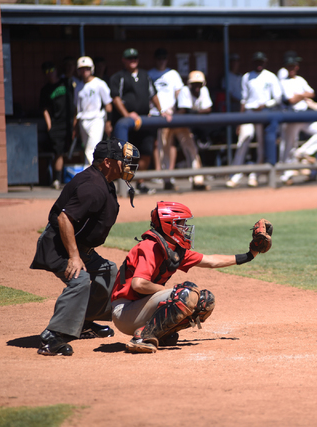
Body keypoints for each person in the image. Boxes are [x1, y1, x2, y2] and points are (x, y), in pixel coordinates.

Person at [30, 138, 140, 356]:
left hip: (77, 247)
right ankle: (53, 336)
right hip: (58, 245)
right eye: (123, 160)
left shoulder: (103, 181)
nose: (128, 165)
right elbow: (64, 219)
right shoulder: (93, 186)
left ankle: (83, 323)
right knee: (80, 280)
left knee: (107, 271)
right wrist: (73, 256)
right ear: (108, 162)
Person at [111, 202, 268, 353]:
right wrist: (171, 293)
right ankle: (142, 338)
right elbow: (139, 284)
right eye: (180, 223)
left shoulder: (173, 250)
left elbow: (211, 261)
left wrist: (250, 255)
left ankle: (160, 333)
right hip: (125, 311)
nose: (185, 228)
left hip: (140, 308)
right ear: (168, 225)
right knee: (184, 294)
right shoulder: (150, 246)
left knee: (205, 300)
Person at [110, 48, 171, 195]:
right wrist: (127, 114)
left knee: (146, 153)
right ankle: (126, 185)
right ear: (124, 60)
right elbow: (116, 98)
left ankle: (139, 182)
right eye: (129, 58)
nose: (133, 61)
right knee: (128, 155)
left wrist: (161, 110)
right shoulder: (119, 77)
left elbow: (153, 95)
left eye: (135, 58)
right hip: (126, 125)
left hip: (144, 121)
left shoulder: (145, 75)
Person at [226, 52, 282, 188]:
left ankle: (255, 176)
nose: (259, 64)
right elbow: (243, 100)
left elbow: (278, 98)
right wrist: (240, 120)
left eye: (261, 62)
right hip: (249, 113)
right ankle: (235, 175)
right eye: (256, 62)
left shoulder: (270, 76)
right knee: (244, 139)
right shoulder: (246, 76)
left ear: (265, 62)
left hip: (264, 113)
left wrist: (265, 105)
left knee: (261, 147)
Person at [279, 55, 317, 185]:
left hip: (304, 115)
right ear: (286, 68)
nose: (291, 68)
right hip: (291, 116)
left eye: (293, 66)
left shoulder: (300, 79)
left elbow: (312, 93)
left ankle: (303, 152)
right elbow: (291, 100)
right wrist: (303, 95)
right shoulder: (283, 82)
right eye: (289, 66)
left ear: (297, 67)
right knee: (288, 146)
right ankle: (286, 175)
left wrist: (299, 96)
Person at [148, 48, 185, 191]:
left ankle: (169, 172)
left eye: (164, 58)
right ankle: (159, 172)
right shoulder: (150, 74)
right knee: (157, 143)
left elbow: (179, 92)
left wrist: (173, 108)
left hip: (169, 113)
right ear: (155, 59)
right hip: (155, 113)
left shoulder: (173, 74)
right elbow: (148, 94)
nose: (161, 61)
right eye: (159, 58)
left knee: (170, 142)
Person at [173, 70, 214, 190]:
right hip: (173, 123)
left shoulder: (204, 90)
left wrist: (195, 112)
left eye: (199, 84)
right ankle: (167, 181)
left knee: (192, 151)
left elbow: (208, 109)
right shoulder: (185, 90)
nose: (197, 87)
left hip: (187, 125)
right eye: (194, 84)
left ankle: (197, 181)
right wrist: (197, 112)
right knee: (165, 151)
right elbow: (184, 111)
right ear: (189, 84)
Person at [39, 61, 75, 190]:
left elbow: (75, 102)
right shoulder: (46, 90)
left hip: (69, 123)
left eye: (52, 70)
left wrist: (75, 120)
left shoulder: (66, 83)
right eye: (47, 72)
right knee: (58, 152)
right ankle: (57, 180)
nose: (50, 73)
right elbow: (45, 109)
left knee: (72, 150)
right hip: (56, 125)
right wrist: (49, 125)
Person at [74, 56, 113, 168]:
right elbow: (77, 107)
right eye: (82, 68)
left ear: (91, 69)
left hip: (96, 119)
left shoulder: (99, 83)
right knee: (87, 147)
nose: (84, 71)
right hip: (83, 120)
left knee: (92, 148)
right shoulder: (78, 87)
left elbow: (108, 104)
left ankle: (92, 173)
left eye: (87, 68)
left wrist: (108, 122)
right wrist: (75, 125)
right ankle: (93, 173)